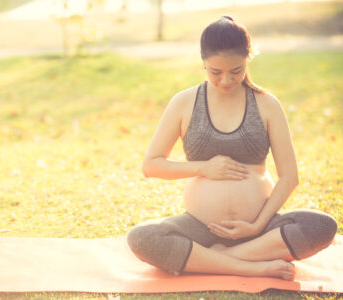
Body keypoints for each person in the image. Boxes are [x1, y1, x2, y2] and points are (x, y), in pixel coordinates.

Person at [126, 15, 337, 281]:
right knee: (142, 237)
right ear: (203, 62)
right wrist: (204, 168)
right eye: (216, 72)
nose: (226, 80)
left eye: (235, 71)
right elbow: (151, 165)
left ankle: (213, 259)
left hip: (258, 229)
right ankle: (251, 265)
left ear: (248, 59)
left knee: (321, 225)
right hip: (201, 228)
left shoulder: (267, 104)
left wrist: (255, 226)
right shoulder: (184, 103)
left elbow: (289, 177)